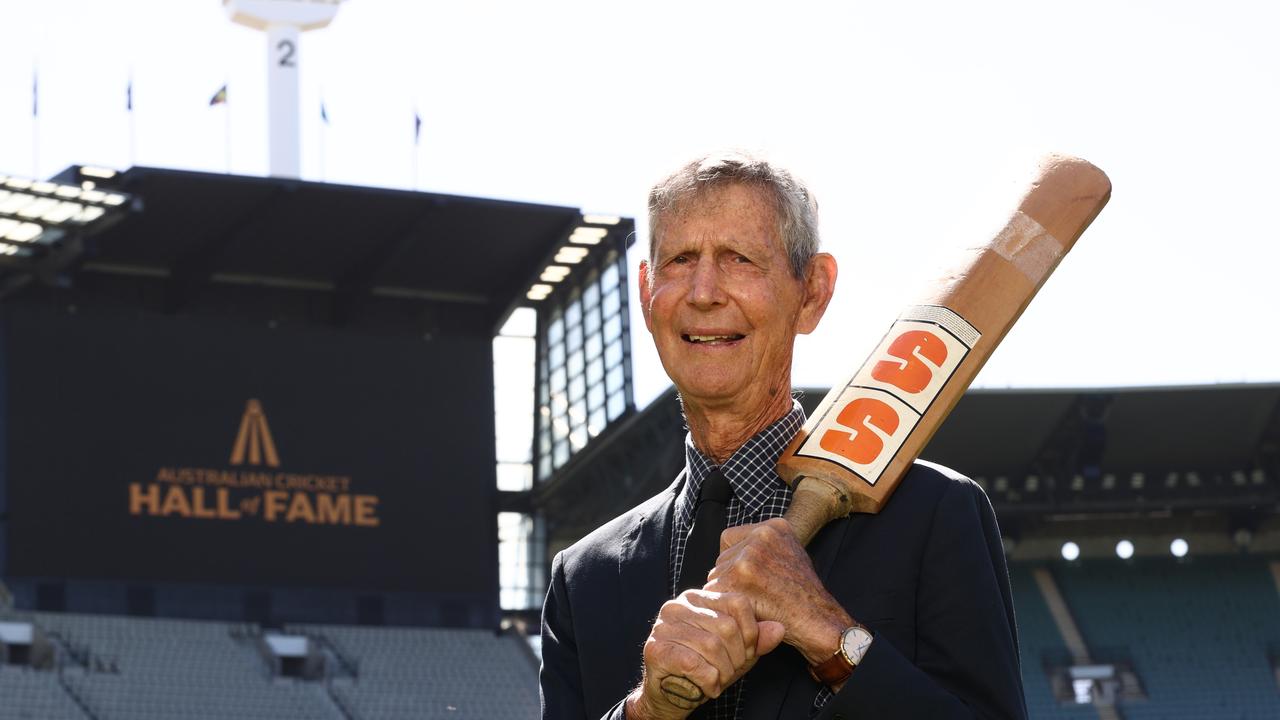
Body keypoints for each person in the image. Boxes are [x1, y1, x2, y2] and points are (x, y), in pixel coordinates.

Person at [540, 151, 1026, 719]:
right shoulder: (586, 578)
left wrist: (832, 636)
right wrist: (648, 709)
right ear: (648, 292)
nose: (703, 292)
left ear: (812, 292)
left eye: (739, 258)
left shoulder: (935, 516)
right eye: (678, 260)